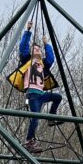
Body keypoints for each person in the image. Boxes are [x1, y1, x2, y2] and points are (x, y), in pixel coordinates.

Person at [19, 24, 62, 153]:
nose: (37, 51)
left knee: (58, 97)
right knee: (35, 116)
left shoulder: (42, 64)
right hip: (33, 95)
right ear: (31, 52)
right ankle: (29, 140)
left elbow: (51, 59)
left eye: (39, 50)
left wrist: (46, 44)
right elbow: (23, 48)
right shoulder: (28, 60)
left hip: (41, 94)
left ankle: (51, 117)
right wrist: (27, 31)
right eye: (35, 50)